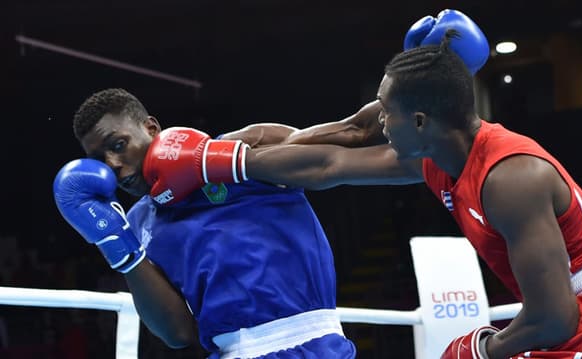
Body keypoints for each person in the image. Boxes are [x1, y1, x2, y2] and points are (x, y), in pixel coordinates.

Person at [160, 27, 582, 359]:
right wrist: (220, 162)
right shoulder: (436, 158)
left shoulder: (511, 178)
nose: (377, 123)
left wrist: (482, 347)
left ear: (419, 121)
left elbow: (554, 319)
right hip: (576, 313)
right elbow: (331, 162)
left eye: (387, 112)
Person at [52, 9, 489, 358]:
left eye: (118, 144)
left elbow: (356, 133)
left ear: (150, 126)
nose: (113, 164)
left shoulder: (245, 146)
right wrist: (121, 252)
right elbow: (178, 333)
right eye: (97, 159)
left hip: (319, 343)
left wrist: (428, 76)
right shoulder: (138, 222)